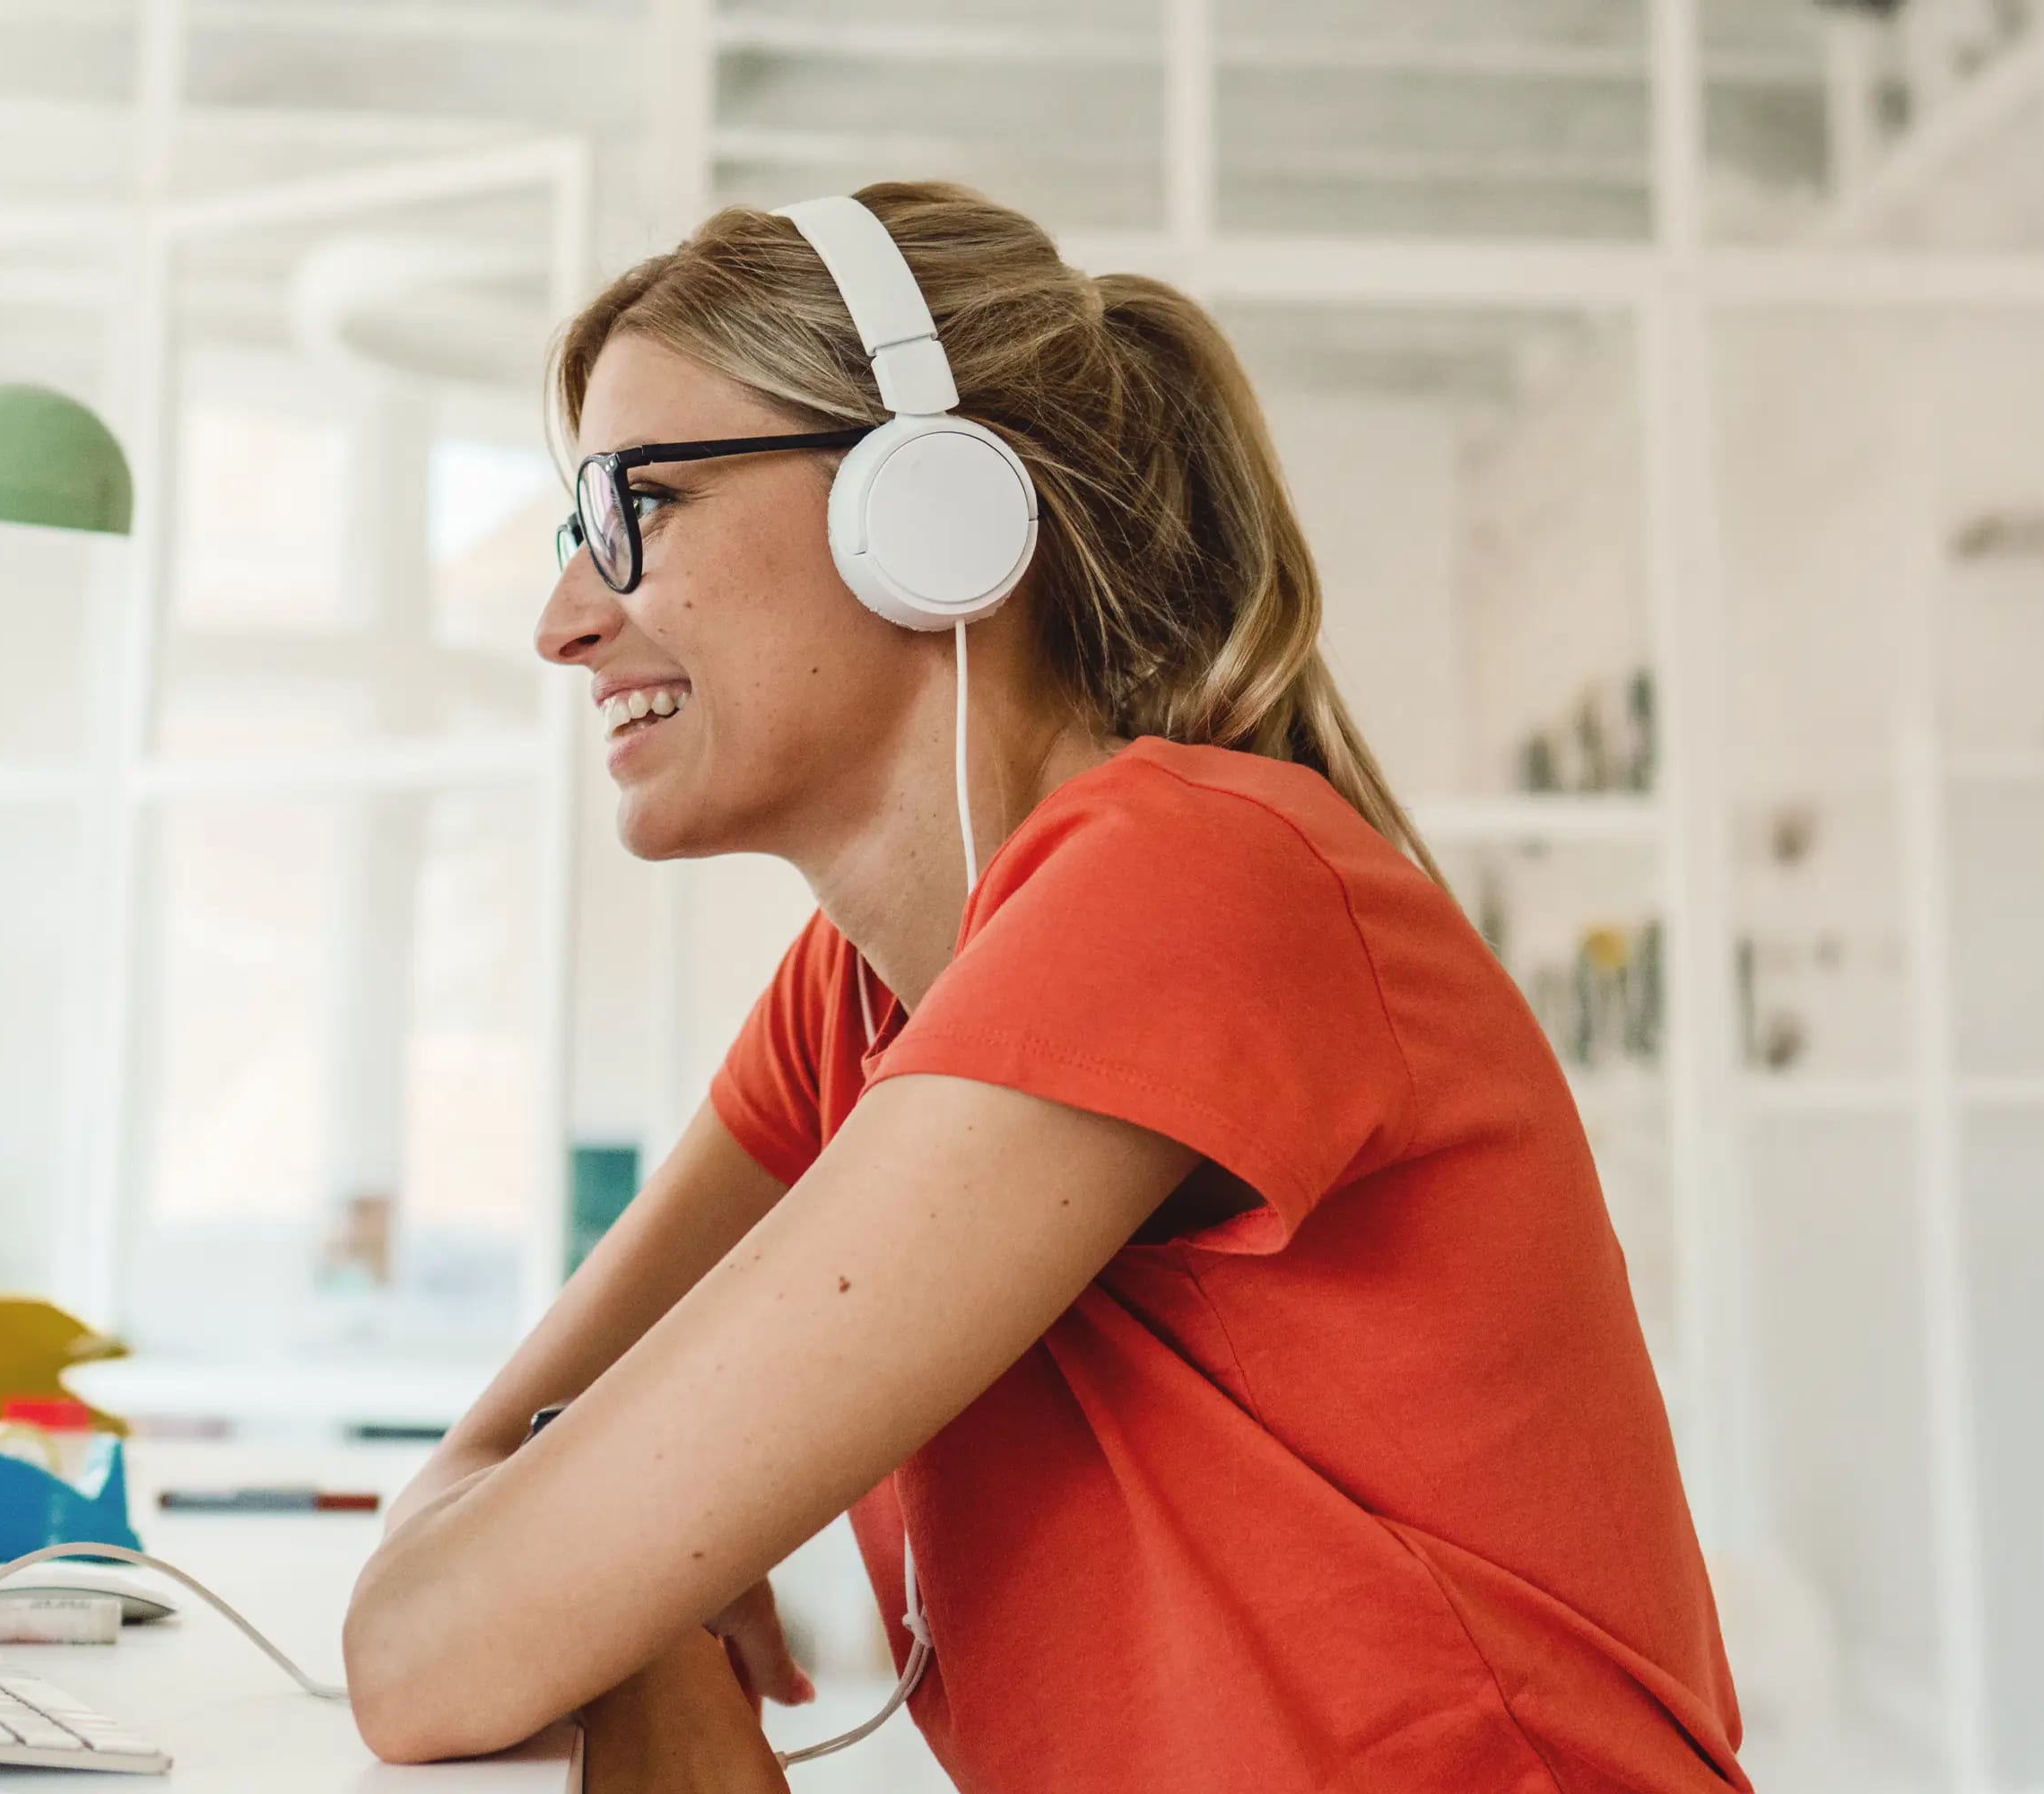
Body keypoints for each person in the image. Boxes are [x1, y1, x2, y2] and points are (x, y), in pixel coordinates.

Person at [339, 181, 1745, 1793]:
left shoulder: (1187, 881)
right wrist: (618, 1602)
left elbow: (433, 1643)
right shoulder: (854, 1004)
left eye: (633, 507)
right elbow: (455, 1521)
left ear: (925, 512)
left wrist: (600, 1596)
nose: (565, 621)